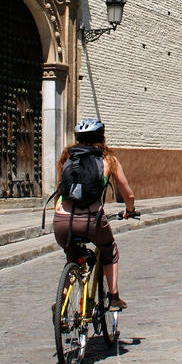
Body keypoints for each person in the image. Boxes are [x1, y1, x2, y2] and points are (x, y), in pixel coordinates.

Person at [53, 118, 137, 310]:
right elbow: (128, 194)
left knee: (73, 258)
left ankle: (61, 306)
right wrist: (129, 211)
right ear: (102, 137)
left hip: (62, 221)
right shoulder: (109, 160)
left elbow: (59, 191)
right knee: (109, 249)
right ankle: (114, 297)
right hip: (92, 220)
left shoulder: (67, 159)